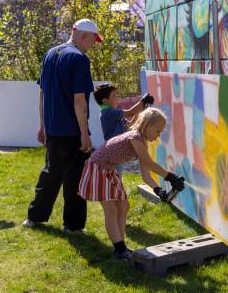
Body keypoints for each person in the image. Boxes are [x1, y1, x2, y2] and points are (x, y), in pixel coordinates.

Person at [22, 19, 103, 232]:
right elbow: (80, 100)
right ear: (84, 36)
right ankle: (73, 226)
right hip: (72, 131)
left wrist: (43, 125)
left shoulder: (50, 54)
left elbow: (43, 94)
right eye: (93, 41)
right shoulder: (79, 59)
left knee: (50, 174)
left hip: (53, 130)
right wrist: (84, 134)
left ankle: (35, 217)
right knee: (74, 179)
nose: (92, 45)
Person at [78, 107, 185, 259]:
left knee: (123, 205)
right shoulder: (135, 137)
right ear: (147, 125)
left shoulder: (142, 143)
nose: (158, 136)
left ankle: (120, 244)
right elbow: (150, 163)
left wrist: (158, 190)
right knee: (111, 209)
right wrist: (171, 177)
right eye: (158, 131)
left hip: (108, 170)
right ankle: (120, 249)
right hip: (98, 167)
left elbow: (145, 174)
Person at [93, 83, 154, 175]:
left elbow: (130, 124)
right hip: (113, 153)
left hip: (117, 151)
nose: (116, 98)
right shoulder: (108, 112)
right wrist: (143, 101)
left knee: (117, 179)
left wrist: (141, 108)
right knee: (114, 179)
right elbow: (130, 112)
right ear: (105, 101)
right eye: (114, 96)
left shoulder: (113, 114)